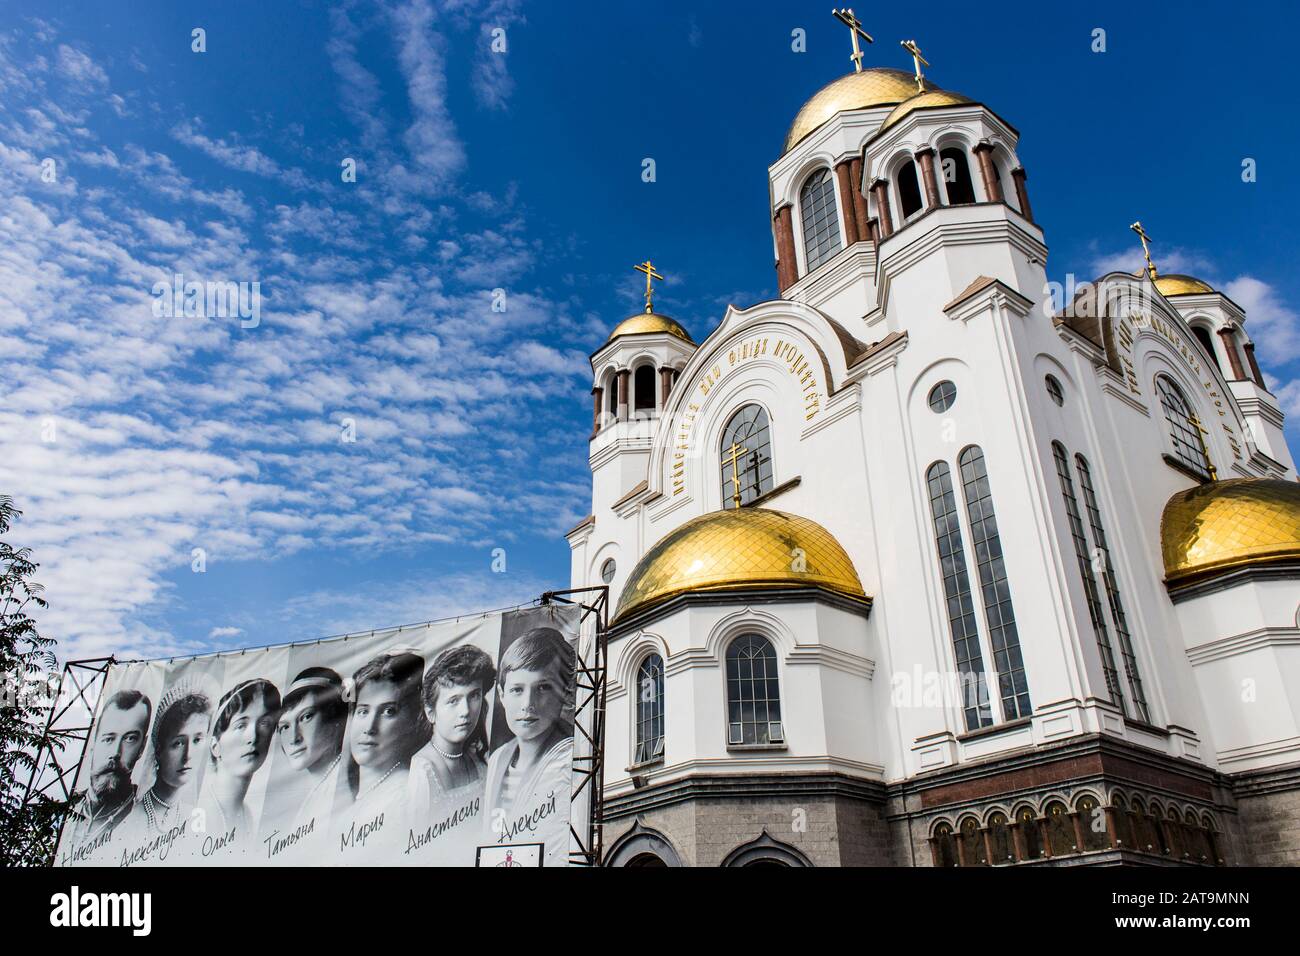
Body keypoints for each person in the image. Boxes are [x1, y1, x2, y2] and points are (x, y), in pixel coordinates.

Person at [483, 627, 576, 864]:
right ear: (502, 695)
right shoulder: (498, 758)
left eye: (543, 687)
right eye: (517, 690)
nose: (528, 704)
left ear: (564, 693)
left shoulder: (570, 756)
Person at [409, 645, 495, 817]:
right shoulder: (422, 770)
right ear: (431, 712)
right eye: (453, 701)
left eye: (474, 696)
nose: (465, 711)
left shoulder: (476, 758)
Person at [344, 652, 430, 823]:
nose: (369, 728)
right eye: (363, 711)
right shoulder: (362, 794)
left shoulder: (405, 795)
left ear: (412, 722)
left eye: (388, 712)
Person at [64, 690, 151, 848]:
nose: (116, 753)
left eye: (130, 739)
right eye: (108, 739)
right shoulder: (65, 811)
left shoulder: (146, 816)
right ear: (94, 744)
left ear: (142, 747)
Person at [199, 679, 281, 839]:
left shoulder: (248, 816)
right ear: (215, 746)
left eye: (264, 723)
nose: (253, 736)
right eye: (240, 725)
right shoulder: (199, 813)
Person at [129, 686, 211, 838]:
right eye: (178, 743)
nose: (188, 755)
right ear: (159, 750)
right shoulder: (131, 818)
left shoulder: (193, 816)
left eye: (197, 740)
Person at [273, 667, 347, 825]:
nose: (294, 738)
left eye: (306, 717)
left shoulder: (345, 786)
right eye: (284, 727)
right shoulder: (315, 794)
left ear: (336, 718)